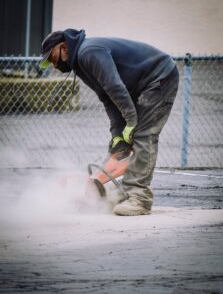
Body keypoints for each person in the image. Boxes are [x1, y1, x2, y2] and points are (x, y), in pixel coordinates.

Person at [40, 29, 179, 216]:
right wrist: (118, 135)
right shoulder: (80, 63)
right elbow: (107, 98)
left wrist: (130, 123)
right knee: (123, 144)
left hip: (158, 76)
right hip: (141, 83)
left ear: (63, 48)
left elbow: (115, 86)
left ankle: (139, 198)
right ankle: (123, 193)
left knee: (143, 135)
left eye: (52, 57)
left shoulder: (88, 52)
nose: (52, 64)